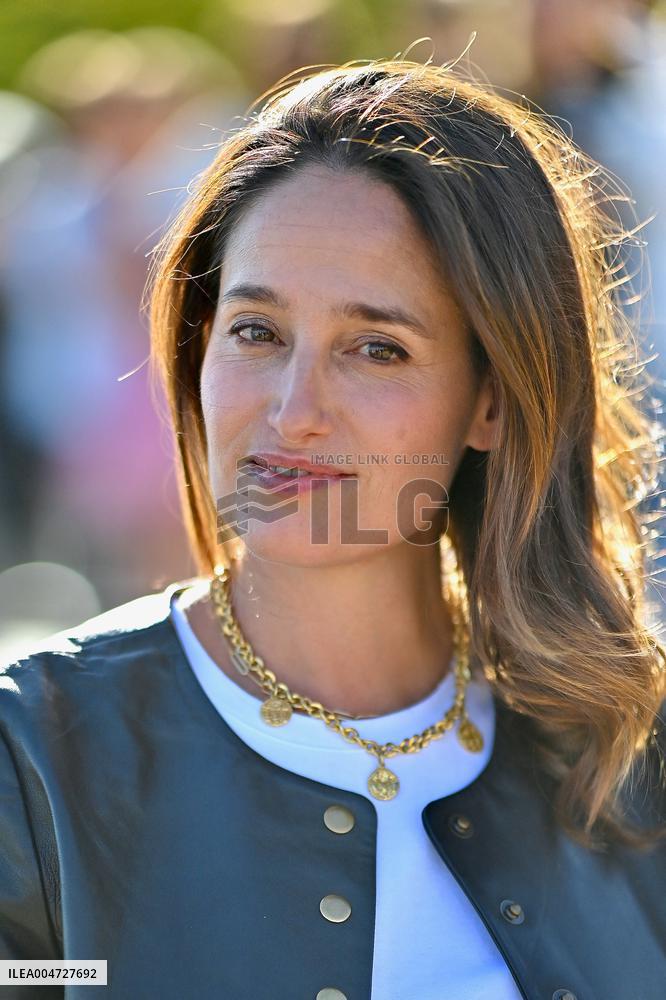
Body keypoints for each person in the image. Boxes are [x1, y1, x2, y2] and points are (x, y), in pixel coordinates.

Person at [1, 54, 665, 1000]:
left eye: (377, 348)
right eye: (256, 332)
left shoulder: (629, 742)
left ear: (493, 401)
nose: (292, 410)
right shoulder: (30, 754)